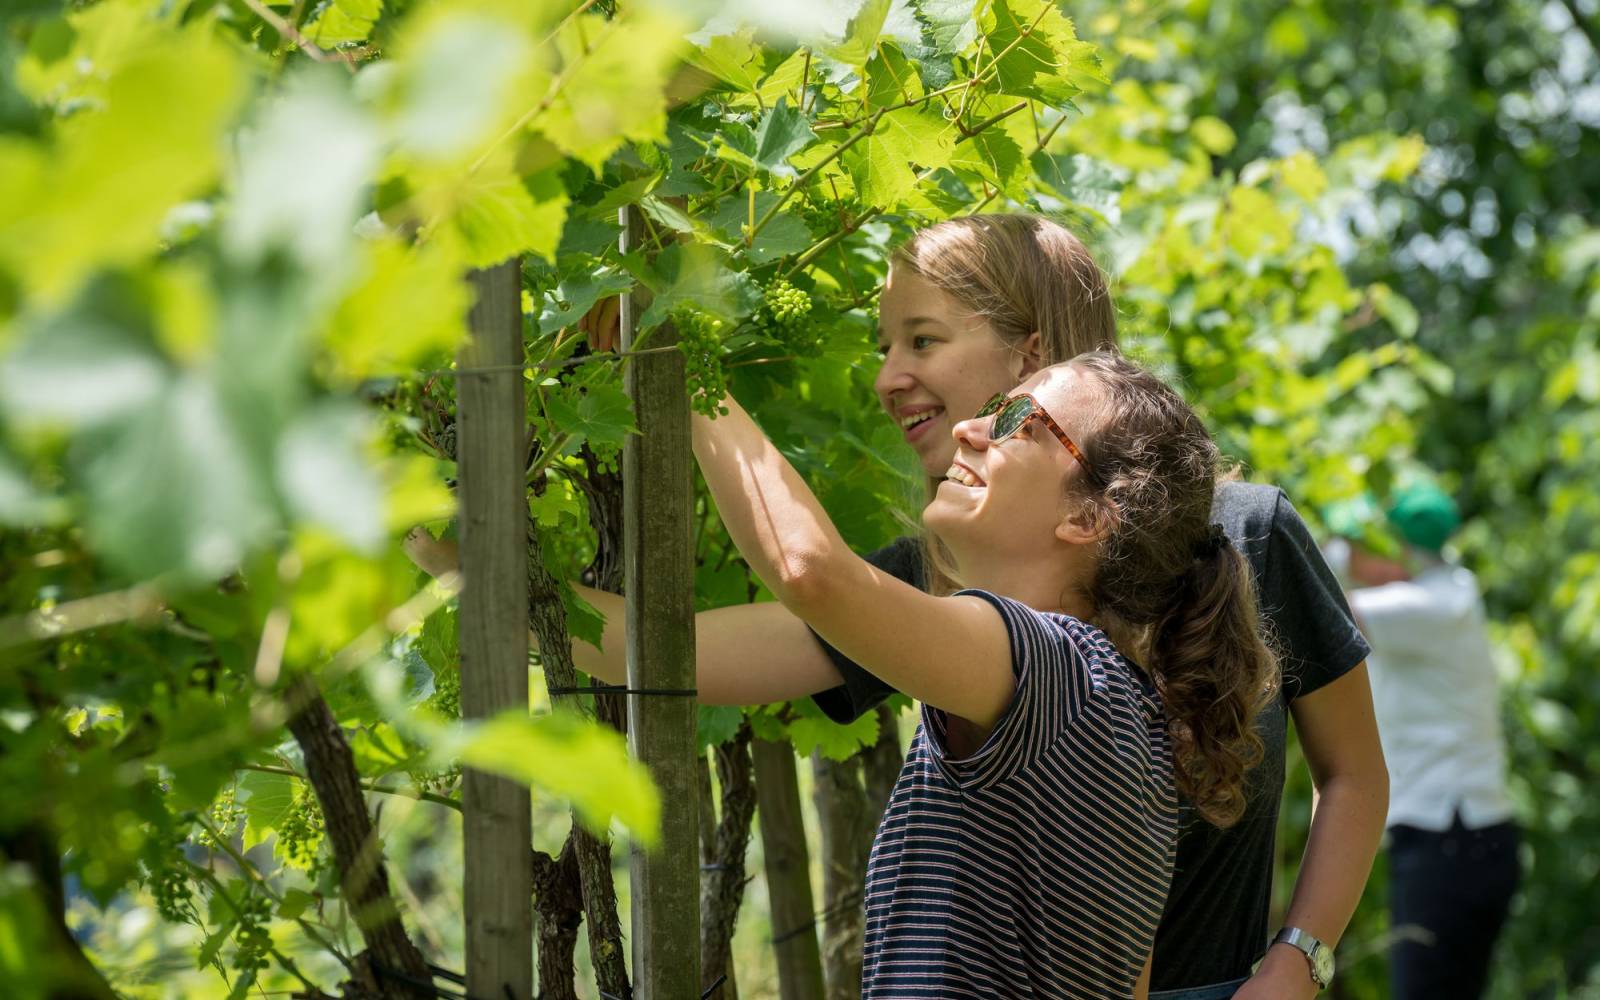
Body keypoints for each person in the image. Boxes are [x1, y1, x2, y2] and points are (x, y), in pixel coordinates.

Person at [406, 214, 1389, 998]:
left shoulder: (1045, 660)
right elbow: (663, 644)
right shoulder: (1079, 670)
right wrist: (467, 555)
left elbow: (808, 568)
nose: (888, 379)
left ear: (1092, 511)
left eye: (926, 341)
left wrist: (674, 356)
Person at [1326, 482, 1520, 1000]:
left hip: (1448, 842)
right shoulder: (1451, 590)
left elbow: (1317, 599)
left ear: (1401, 552)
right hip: (1470, 840)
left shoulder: (1422, 608)